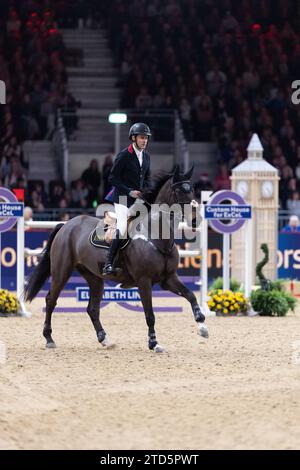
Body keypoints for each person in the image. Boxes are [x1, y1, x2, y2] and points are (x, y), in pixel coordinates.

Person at [102, 122, 151, 275]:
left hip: (138, 198)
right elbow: (112, 177)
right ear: (134, 138)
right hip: (123, 197)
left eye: (146, 138)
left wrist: (145, 191)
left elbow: (147, 178)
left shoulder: (147, 156)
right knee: (123, 228)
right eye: (142, 138)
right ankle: (108, 263)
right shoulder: (124, 155)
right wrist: (129, 191)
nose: (144, 141)